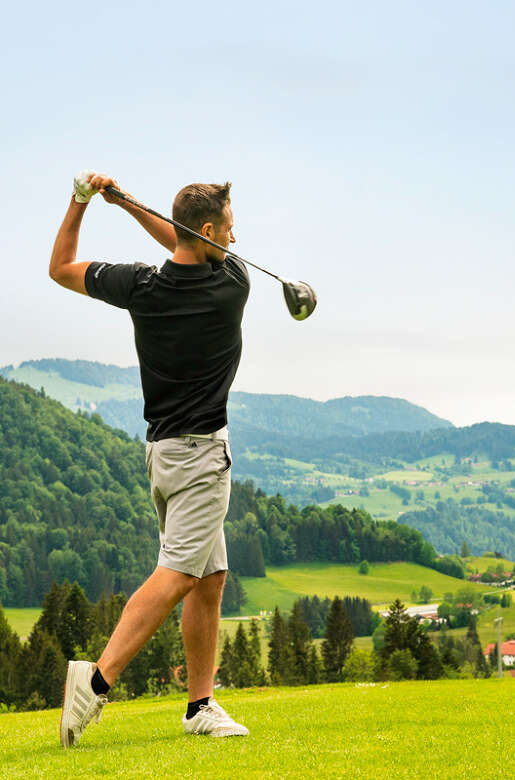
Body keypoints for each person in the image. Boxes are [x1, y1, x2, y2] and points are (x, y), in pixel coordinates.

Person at [50, 171, 251, 746]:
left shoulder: (142, 286)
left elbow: (60, 267)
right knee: (178, 575)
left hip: (161, 456)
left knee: (209, 579)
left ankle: (200, 705)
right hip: (202, 460)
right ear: (210, 231)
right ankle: (96, 681)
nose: (236, 241)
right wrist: (131, 205)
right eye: (229, 230)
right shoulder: (231, 283)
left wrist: (87, 201)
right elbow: (182, 241)